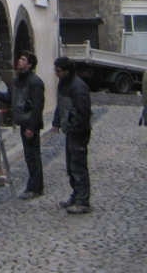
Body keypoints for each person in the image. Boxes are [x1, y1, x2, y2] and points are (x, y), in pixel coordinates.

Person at [0, 51, 45, 198]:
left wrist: (32, 127)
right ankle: (34, 186)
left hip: (30, 124)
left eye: (22, 59)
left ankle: (35, 188)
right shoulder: (17, 80)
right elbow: (9, 97)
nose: (19, 61)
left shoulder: (35, 82)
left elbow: (38, 107)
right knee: (29, 156)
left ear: (29, 64)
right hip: (23, 122)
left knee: (33, 156)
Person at [52, 56, 92, 214]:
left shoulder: (79, 87)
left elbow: (83, 112)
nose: (56, 73)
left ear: (67, 71)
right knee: (71, 166)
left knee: (78, 166)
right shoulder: (63, 84)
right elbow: (60, 104)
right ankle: (76, 196)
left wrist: (75, 128)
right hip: (71, 131)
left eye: (59, 71)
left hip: (78, 132)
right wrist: (56, 121)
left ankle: (83, 201)